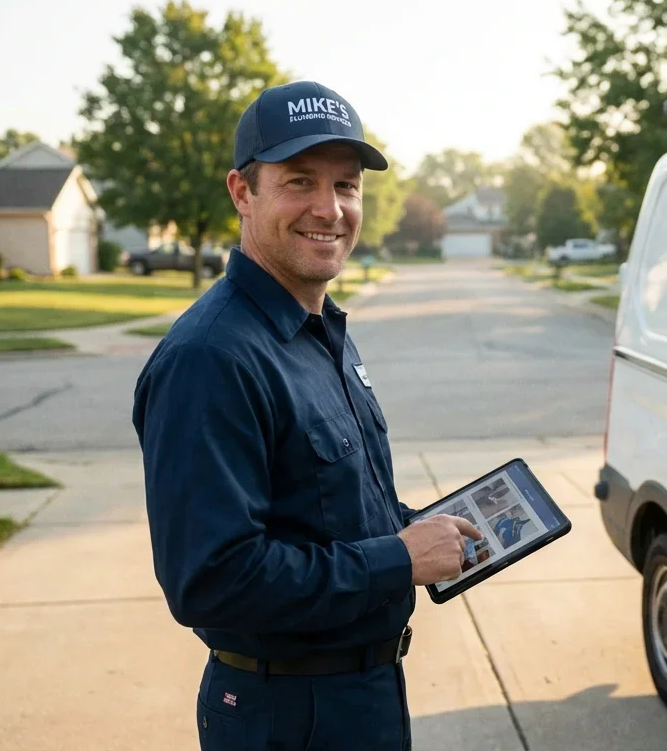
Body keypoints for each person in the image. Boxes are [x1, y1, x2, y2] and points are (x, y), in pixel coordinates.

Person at [132, 80, 483, 751]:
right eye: (299, 181)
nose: (330, 209)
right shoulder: (211, 358)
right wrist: (396, 559)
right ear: (242, 192)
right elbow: (211, 581)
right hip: (287, 713)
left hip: (361, 697)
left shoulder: (320, 330)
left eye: (346, 186)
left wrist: (416, 531)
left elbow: (323, 507)